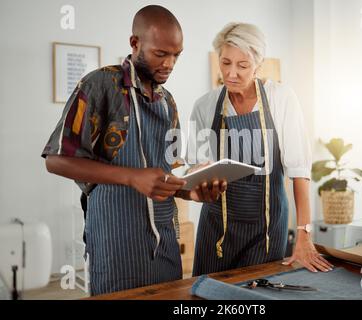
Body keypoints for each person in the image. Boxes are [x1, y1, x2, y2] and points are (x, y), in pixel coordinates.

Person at [42, 5, 223, 296]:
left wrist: (190, 191)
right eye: (160, 54)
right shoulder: (100, 85)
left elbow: (165, 176)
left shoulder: (169, 102)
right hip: (116, 244)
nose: (169, 64)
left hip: (164, 241)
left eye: (176, 55)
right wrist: (131, 177)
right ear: (135, 43)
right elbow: (55, 160)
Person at [187, 22, 333, 276]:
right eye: (225, 63)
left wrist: (304, 234)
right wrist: (200, 173)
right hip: (216, 229)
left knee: (258, 294)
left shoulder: (281, 98)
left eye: (242, 65)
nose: (232, 73)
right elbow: (195, 166)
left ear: (258, 64)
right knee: (205, 294)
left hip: (267, 229)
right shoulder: (205, 106)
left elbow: (299, 171)